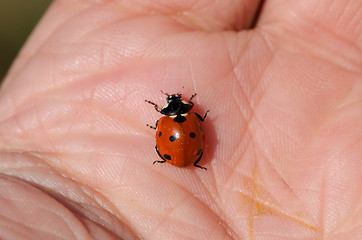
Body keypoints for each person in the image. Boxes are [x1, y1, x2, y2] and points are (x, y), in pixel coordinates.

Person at [0, 0, 360, 239]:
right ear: (182, 109)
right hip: (183, 157)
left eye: (173, 103)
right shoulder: (186, 119)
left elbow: (181, 130)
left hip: (177, 158)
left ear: (168, 111)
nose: (176, 104)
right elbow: (192, 129)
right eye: (177, 103)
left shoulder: (172, 123)